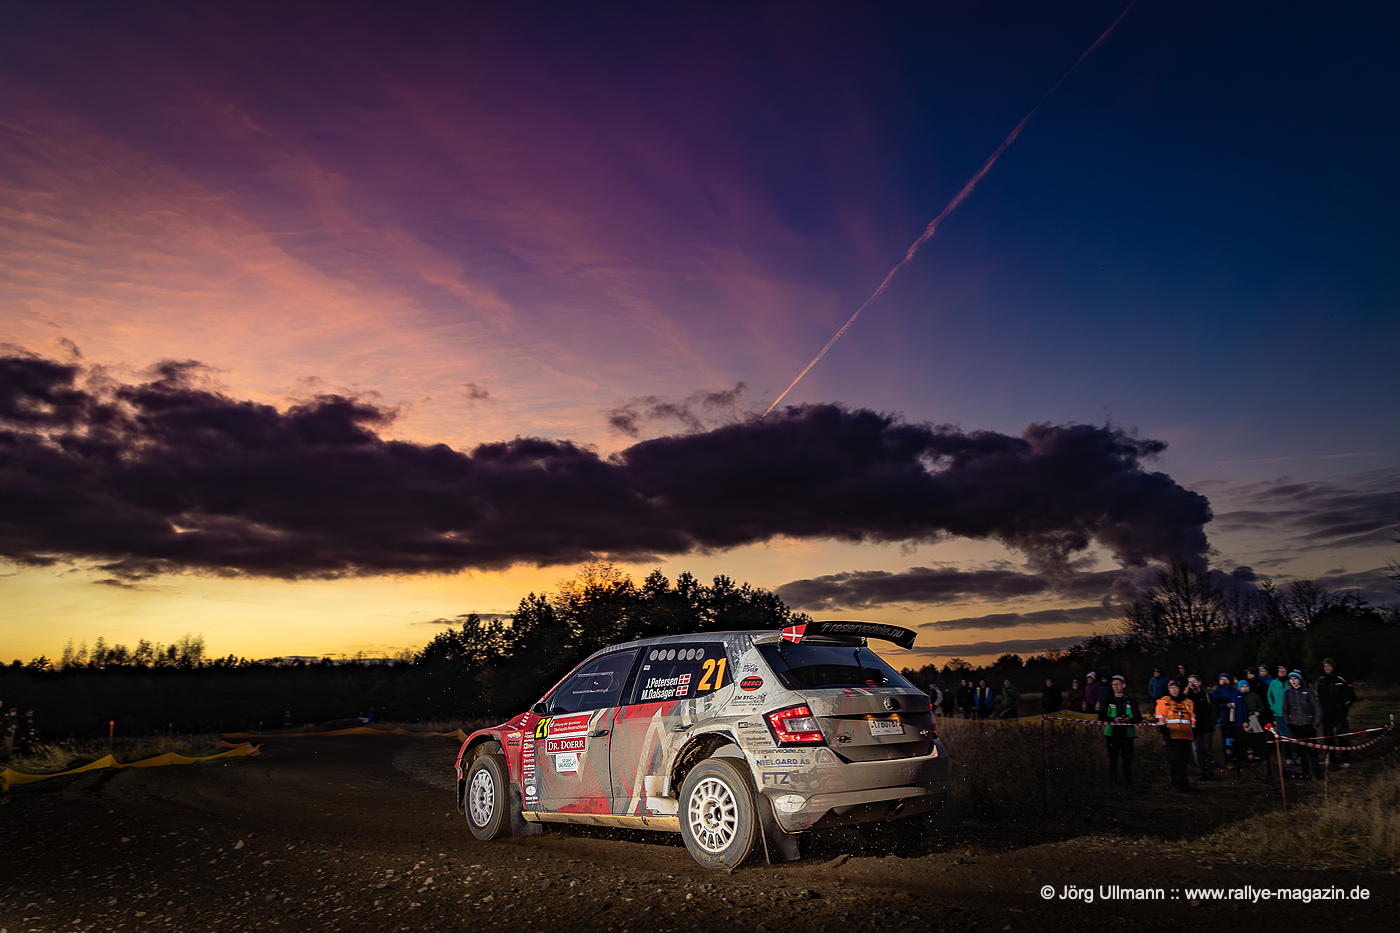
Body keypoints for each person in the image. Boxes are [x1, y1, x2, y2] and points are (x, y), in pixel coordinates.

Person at [1098, 674, 1142, 784]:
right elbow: (1101, 717)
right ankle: (1113, 781)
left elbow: (1138, 718)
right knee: (1113, 758)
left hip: (1128, 733)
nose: (1115, 686)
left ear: (1123, 685)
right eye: (1113, 685)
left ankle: (1128, 780)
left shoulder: (1131, 701)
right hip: (1112, 733)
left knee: (1127, 758)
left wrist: (1129, 719)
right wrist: (1113, 719)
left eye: (1118, 684)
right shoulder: (1108, 700)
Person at [1282, 670, 1324, 779]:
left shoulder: (1308, 691)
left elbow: (1317, 707)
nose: (1293, 681)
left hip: (1308, 725)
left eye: (1295, 678)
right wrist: (1288, 722)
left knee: (1312, 750)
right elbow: (1285, 709)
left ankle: (1317, 773)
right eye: (1291, 679)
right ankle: (1305, 773)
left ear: (1300, 680)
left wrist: (1316, 722)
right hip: (1295, 726)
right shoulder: (1288, 693)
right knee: (1300, 751)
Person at [1156, 681, 1197, 791]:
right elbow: (1161, 717)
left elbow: (1192, 717)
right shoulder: (1165, 701)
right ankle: (1176, 783)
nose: (1174, 690)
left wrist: (1193, 729)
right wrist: (1163, 729)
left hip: (1186, 735)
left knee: (1184, 761)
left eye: (1176, 688)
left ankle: (1184, 783)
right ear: (1168, 690)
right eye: (1171, 688)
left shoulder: (1188, 702)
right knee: (1175, 761)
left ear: (1180, 689)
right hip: (1172, 735)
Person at [1315, 657, 1355, 768]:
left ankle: (1345, 758)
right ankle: (1331, 758)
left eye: (1328, 665)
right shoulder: (1321, 679)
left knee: (1342, 735)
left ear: (1333, 666)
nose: (1326, 668)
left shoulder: (1341, 679)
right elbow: (1319, 697)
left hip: (1340, 714)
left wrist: (1343, 709)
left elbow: (1351, 697)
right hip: (1326, 714)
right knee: (1328, 736)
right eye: (1325, 666)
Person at [1183, 675, 1217, 780]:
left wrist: (1213, 722)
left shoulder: (1207, 695)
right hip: (1194, 728)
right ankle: (1203, 773)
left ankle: (1211, 773)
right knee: (1198, 750)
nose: (1192, 684)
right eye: (1190, 682)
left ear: (1200, 682)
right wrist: (1185, 693)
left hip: (1207, 727)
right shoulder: (1187, 696)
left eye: (1195, 681)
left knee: (1208, 750)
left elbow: (1214, 709)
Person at [1209, 674, 1244, 767]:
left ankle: (1237, 760)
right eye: (1222, 679)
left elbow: (1241, 706)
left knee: (1236, 742)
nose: (1224, 680)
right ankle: (1228, 761)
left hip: (1236, 722)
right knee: (1226, 743)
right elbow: (1214, 706)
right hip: (1224, 721)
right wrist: (1226, 705)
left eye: (1226, 678)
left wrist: (1243, 720)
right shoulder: (1216, 692)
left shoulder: (1236, 691)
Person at [1238, 680, 1272, 762]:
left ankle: (1258, 754)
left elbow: (1262, 706)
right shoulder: (1238, 696)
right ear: (1239, 688)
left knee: (1256, 736)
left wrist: (1259, 711)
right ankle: (1247, 755)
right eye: (1242, 686)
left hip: (1253, 718)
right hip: (1243, 720)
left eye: (1246, 686)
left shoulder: (1254, 696)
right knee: (1246, 738)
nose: (1245, 688)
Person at [1268, 664, 1293, 766]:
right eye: (1279, 669)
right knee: (1284, 736)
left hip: (1291, 714)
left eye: (1283, 669)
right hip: (1278, 714)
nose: (1281, 671)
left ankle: (1296, 756)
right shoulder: (1274, 683)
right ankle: (1288, 757)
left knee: (1293, 735)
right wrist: (1273, 707)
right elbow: (1269, 696)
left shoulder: (1290, 681)